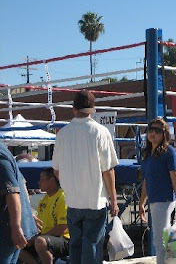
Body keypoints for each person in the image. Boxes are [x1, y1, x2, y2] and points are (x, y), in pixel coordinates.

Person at [52, 90, 119, 264]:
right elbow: (108, 170)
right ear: (92, 110)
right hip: (95, 200)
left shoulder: (62, 134)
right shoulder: (101, 132)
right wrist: (113, 200)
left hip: (72, 201)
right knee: (92, 245)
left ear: (73, 108)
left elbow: (57, 171)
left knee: (75, 244)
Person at [139, 118, 176, 264]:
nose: (152, 133)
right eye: (150, 130)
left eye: (157, 130)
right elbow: (146, 179)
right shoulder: (147, 154)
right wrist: (142, 202)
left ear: (164, 134)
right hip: (155, 199)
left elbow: (175, 179)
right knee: (164, 239)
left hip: (163, 199)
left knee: (160, 242)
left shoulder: (169, 152)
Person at [19, 168, 69, 264]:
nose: (38, 183)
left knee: (40, 242)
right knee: (18, 244)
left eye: (42, 180)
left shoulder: (62, 198)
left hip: (64, 239)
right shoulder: (43, 201)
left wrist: (39, 237)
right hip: (45, 237)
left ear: (52, 180)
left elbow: (63, 227)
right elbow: (39, 226)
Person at [0, 142, 38, 264]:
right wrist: (27, 214)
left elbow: (12, 191)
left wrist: (16, 227)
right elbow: (21, 184)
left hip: (6, 229)